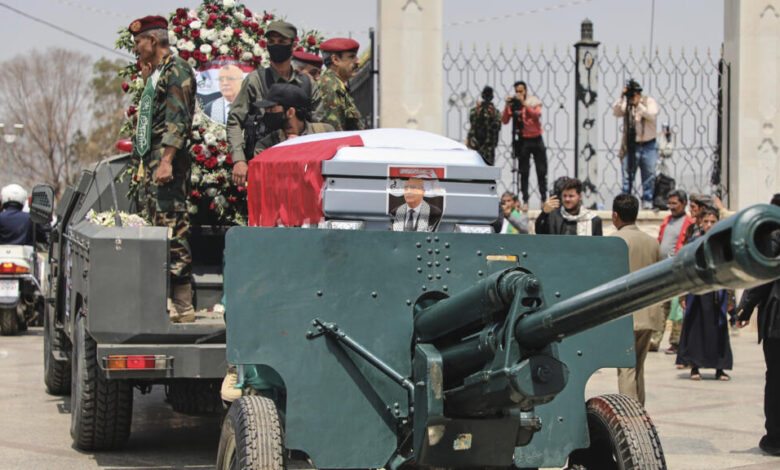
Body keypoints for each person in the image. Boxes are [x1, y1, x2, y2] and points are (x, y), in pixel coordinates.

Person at [129, 15, 197, 323]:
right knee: (155, 231)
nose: (136, 48)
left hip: (166, 164)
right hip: (152, 162)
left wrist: (167, 160)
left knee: (172, 229)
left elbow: (177, 120)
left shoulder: (176, 70)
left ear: (153, 41)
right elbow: (150, 118)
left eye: (138, 42)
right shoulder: (157, 73)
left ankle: (183, 305)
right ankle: (161, 302)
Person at [228, 21, 321, 187]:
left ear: (293, 45)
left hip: (302, 167)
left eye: (281, 41)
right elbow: (235, 120)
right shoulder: (255, 81)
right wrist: (239, 160)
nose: (276, 45)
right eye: (271, 41)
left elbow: (319, 126)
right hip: (264, 163)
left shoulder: (307, 84)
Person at [737, 194, 780, 456]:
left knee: (775, 378)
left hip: (777, 321)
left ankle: (775, 437)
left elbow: (762, 275)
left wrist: (745, 308)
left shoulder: (774, 237)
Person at [611, 194, 663, 405]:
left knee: (626, 369)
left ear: (615, 215)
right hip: (648, 312)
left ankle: (630, 414)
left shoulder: (614, 242)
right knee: (638, 366)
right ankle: (640, 410)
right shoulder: (652, 242)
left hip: (624, 314)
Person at [675, 206, 734, 380]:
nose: (709, 225)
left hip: (717, 292)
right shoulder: (694, 242)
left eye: (712, 221)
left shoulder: (723, 243)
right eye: (706, 221)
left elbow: (729, 269)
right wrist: (683, 295)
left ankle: (720, 367)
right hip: (697, 292)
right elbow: (684, 269)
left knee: (719, 329)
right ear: (701, 222)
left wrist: (730, 297)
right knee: (696, 329)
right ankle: (694, 366)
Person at [649, 189, 695, 352]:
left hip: (678, 270)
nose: (671, 207)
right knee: (660, 306)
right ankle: (654, 340)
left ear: (684, 203)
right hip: (663, 270)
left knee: (677, 307)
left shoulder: (689, 223)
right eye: (670, 203)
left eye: (675, 203)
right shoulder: (667, 220)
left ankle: (676, 342)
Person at [613, 79, 659, 210]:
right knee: (627, 176)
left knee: (649, 175)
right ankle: (625, 202)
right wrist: (622, 96)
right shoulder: (628, 105)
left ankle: (647, 201)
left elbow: (651, 115)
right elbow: (616, 112)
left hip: (648, 145)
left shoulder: (648, 102)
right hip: (631, 145)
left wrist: (638, 105)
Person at [502, 80, 547, 211]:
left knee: (541, 170)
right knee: (524, 171)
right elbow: (505, 120)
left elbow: (536, 115)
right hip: (523, 140)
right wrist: (507, 105)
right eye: (516, 91)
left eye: (520, 91)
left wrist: (524, 104)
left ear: (525, 91)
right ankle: (525, 200)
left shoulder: (533, 102)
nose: (518, 94)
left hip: (536, 138)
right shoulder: (514, 104)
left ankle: (543, 198)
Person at [254, 84, 334, 151]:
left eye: (272, 109)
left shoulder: (325, 133)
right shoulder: (265, 145)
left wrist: (302, 147)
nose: (267, 113)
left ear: (290, 112)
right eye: (266, 109)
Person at [316, 37, 364, 132]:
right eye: (351, 57)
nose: (358, 61)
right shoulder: (329, 86)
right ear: (335, 60)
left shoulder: (337, 85)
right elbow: (333, 130)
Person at [535, 178, 602, 236]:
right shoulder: (553, 216)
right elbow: (539, 232)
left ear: (580, 196)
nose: (567, 199)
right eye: (564, 196)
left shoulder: (593, 220)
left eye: (571, 196)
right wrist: (544, 213)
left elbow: (598, 245)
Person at [467, 86, 501, 166]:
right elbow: (473, 123)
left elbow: (497, 127)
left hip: (489, 146)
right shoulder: (475, 110)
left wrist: (492, 116)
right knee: (474, 166)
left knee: (488, 167)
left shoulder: (496, 112)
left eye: (489, 95)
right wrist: (478, 112)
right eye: (486, 94)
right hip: (475, 144)